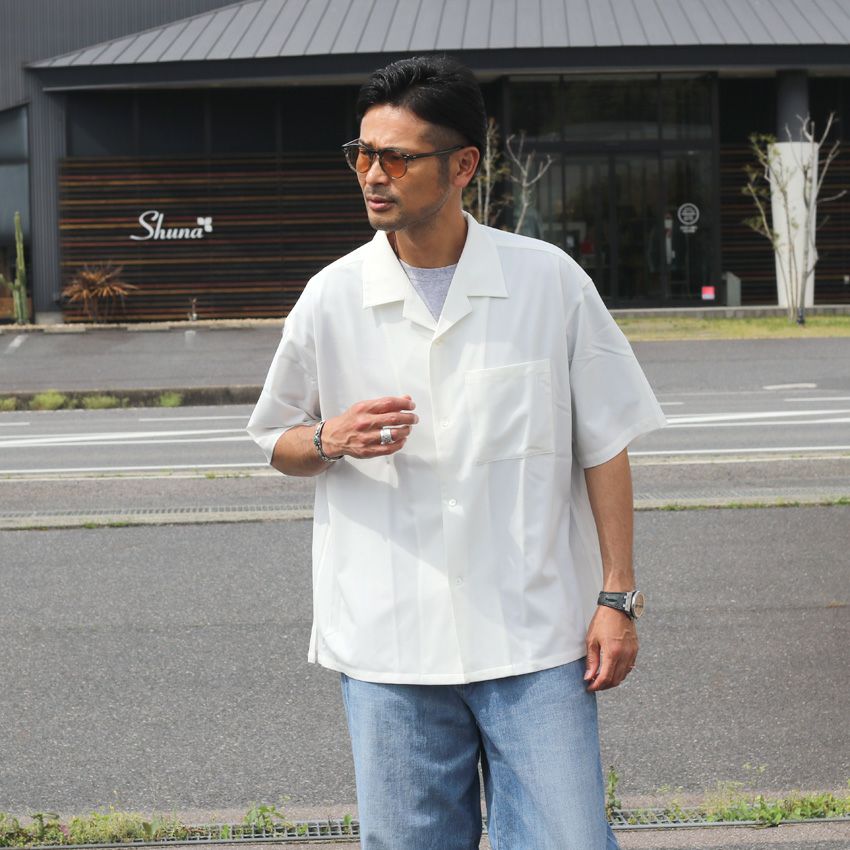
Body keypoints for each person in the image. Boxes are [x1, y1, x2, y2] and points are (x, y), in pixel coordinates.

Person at [247, 55, 666, 850]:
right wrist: (330, 438)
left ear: (463, 165)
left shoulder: (548, 282)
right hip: (391, 646)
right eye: (362, 154)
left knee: (570, 840)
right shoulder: (332, 296)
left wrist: (618, 599)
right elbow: (277, 440)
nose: (373, 175)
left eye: (396, 157)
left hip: (536, 639)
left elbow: (605, 443)